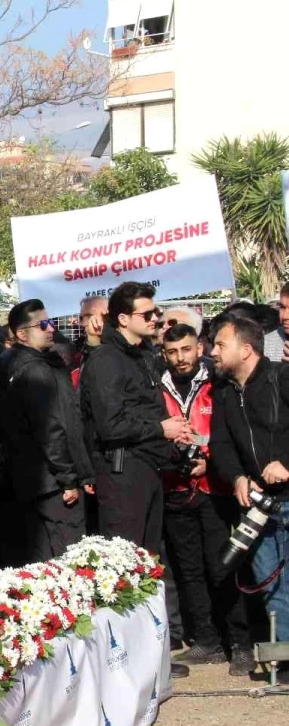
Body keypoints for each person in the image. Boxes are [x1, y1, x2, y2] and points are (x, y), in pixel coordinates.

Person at [159, 323, 251, 675]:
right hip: (175, 488)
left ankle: (239, 643)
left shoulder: (218, 382)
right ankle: (207, 640)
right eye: (172, 352)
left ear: (199, 348)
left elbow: (229, 431)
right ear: (164, 353)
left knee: (222, 566)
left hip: (215, 488)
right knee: (188, 570)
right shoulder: (157, 385)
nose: (180, 358)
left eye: (186, 349)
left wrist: (208, 460)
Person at [80, 282, 191, 555]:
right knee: (125, 564)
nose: (155, 319)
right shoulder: (106, 360)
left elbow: (147, 407)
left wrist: (174, 432)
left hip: (149, 465)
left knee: (149, 561)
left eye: (156, 312)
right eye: (147, 315)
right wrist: (160, 428)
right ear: (123, 319)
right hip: (121, 473)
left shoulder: (143, 354)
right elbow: (110, 426)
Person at [209, 312, 289, 653]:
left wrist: (287, 463)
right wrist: (238, 477)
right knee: (271, 585)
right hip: (259, 509)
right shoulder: (224, 391)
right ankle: (284, 655)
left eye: (220, 344)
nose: (212, 351)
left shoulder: (281, 377)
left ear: (245, 349)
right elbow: (221, 443)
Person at [2, 300, 94, 560]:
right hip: (50, 483)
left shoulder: (36, 364)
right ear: (22, 334)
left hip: (38, 480)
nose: (51, 328)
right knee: (68, 558)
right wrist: (68, 478)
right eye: (42, 324)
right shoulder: (34, 372)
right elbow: (50, 430)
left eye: (50, 321)